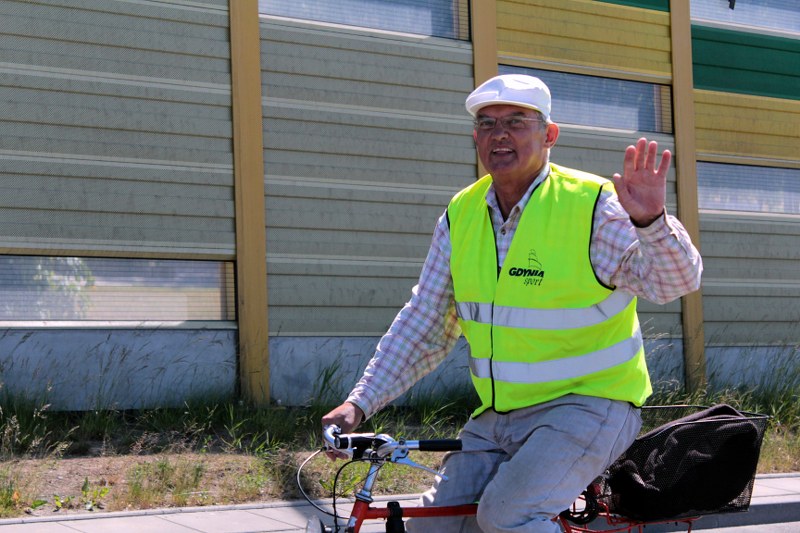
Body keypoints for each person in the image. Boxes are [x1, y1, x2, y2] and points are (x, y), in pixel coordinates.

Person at [321, 74, 703, 533]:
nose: (499, 134)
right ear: (475, 137)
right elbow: (425, 323)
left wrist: (651, 222)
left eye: (516, 122)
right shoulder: (461, 214)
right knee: (431, 526)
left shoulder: (591, 205)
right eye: (486, 124)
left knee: (507, 516)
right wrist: (359, 404)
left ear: (549, 135)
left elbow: (674, 282)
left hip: (588, 407)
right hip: (497, 417)